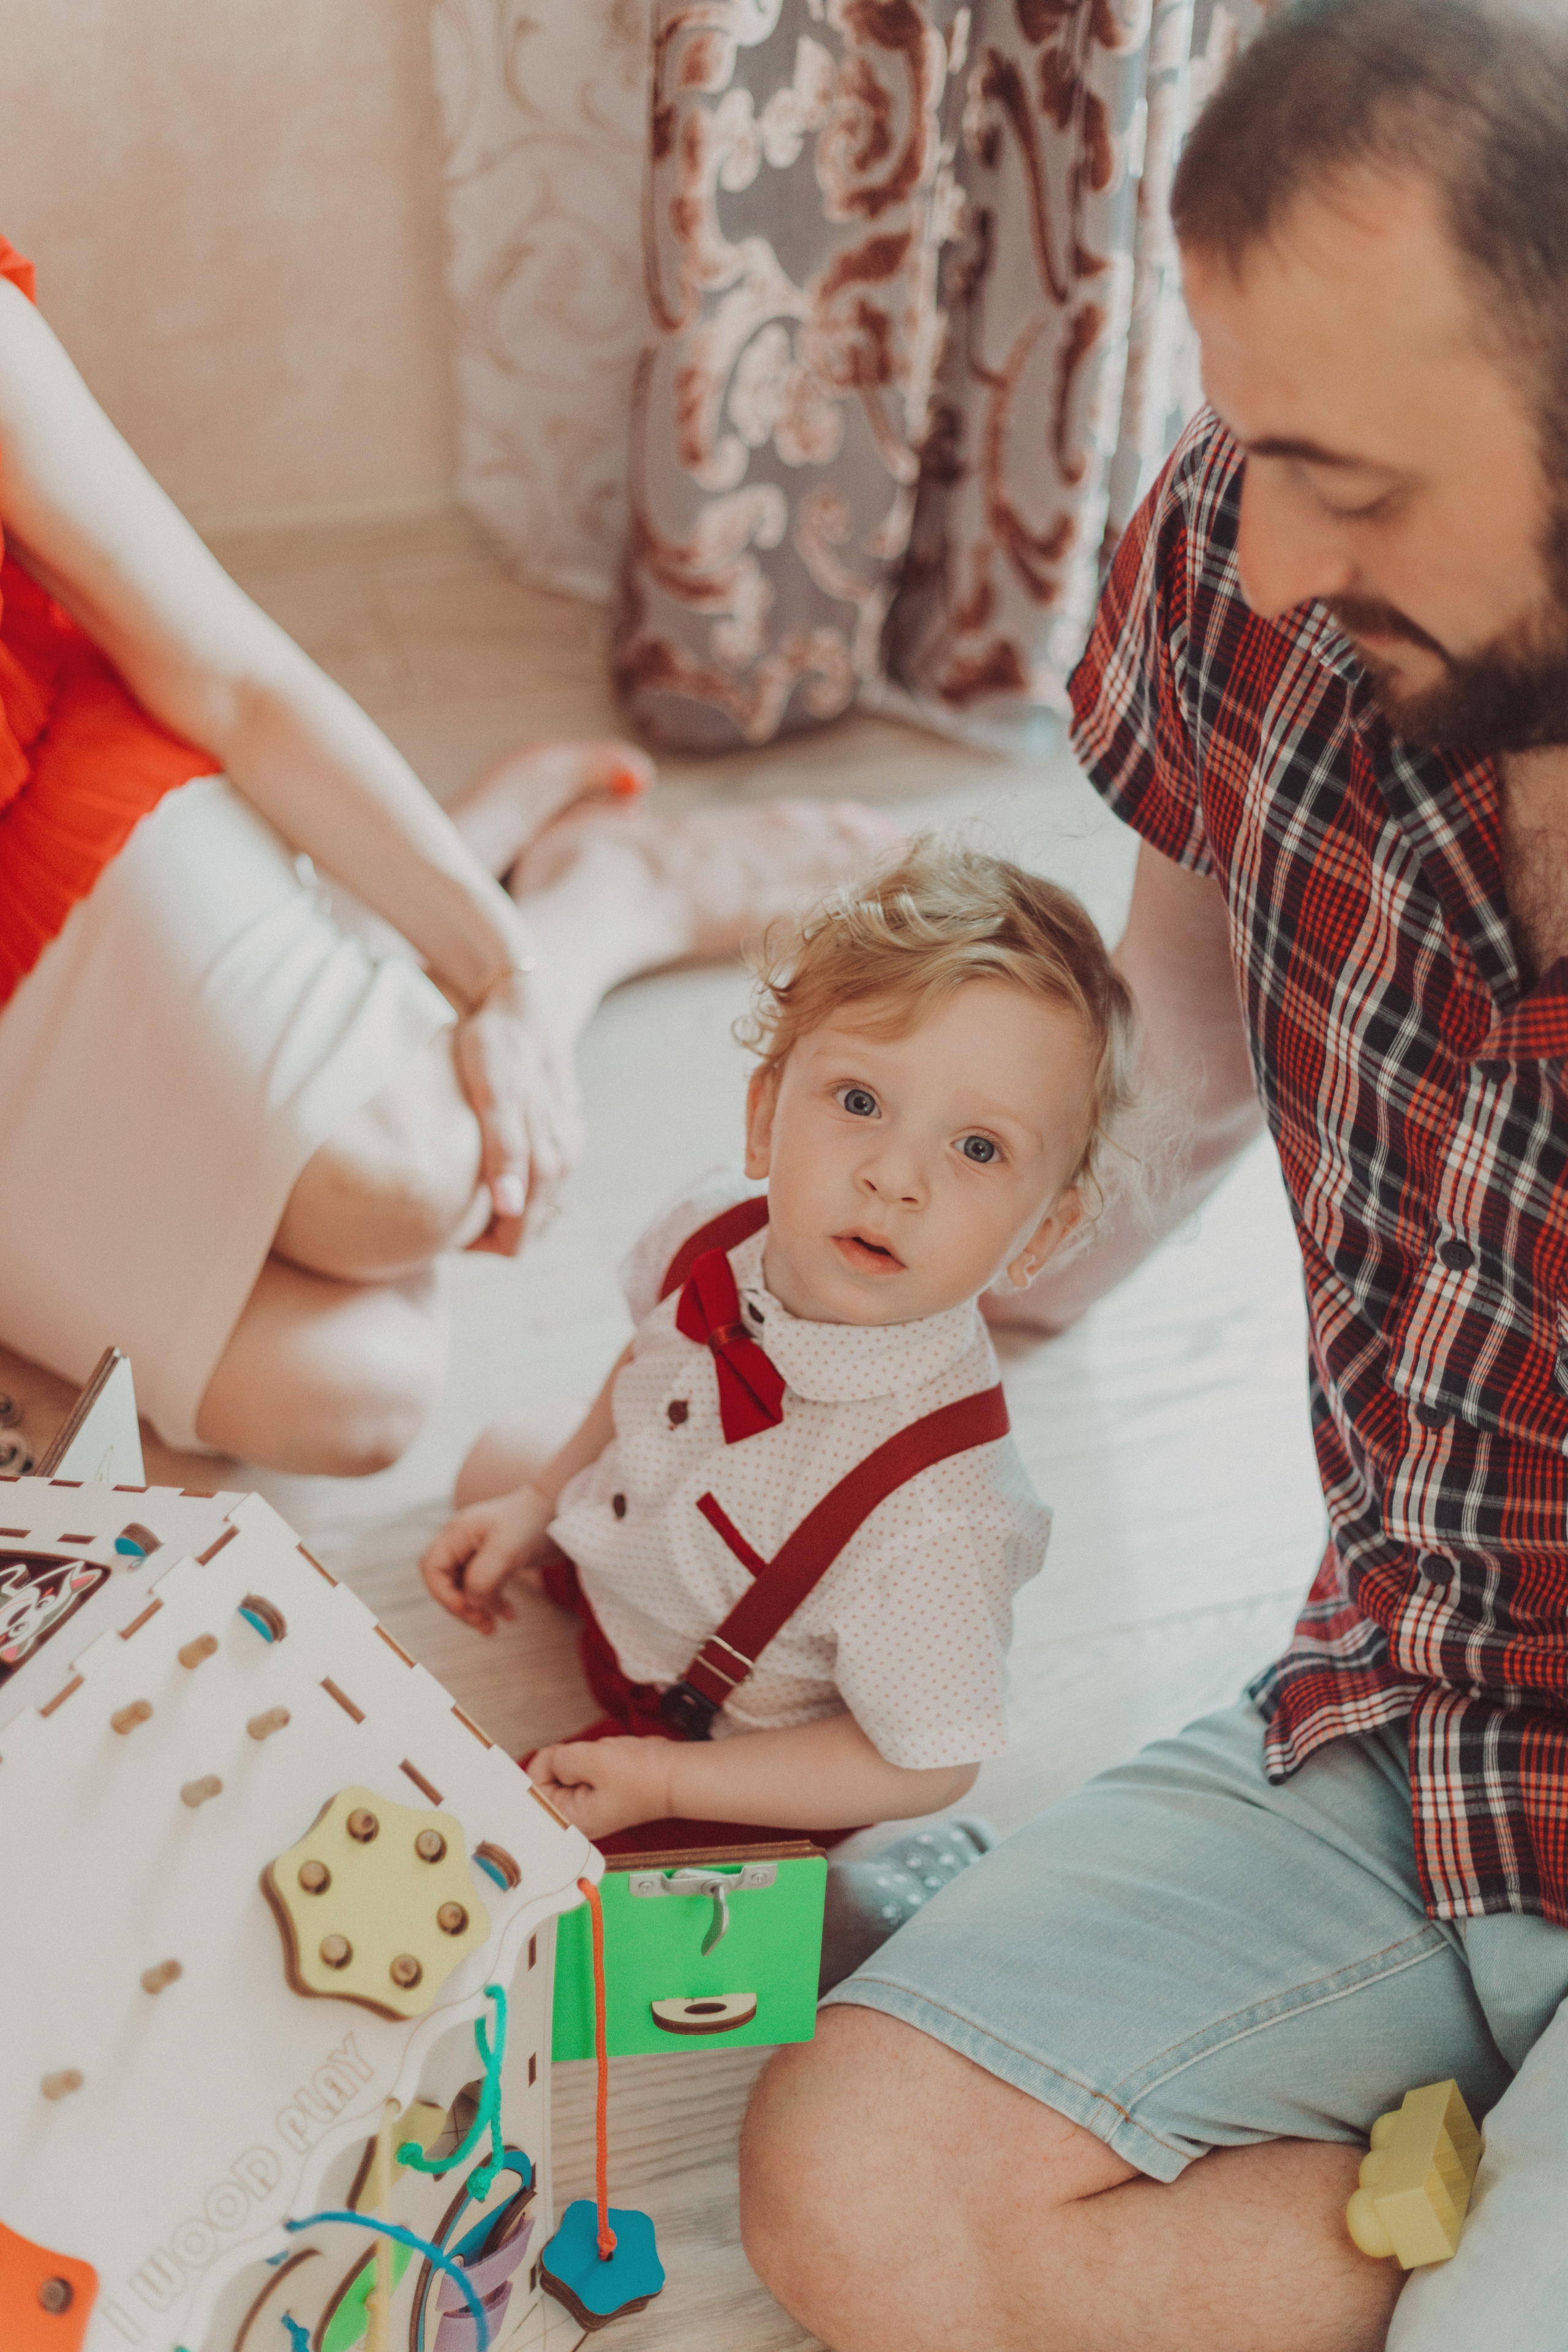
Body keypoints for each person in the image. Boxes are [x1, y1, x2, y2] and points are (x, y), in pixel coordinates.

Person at [737, 6, 1568, 2351]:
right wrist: (848, 1334)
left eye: (1358, 483)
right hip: (1430, 1707)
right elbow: (1175, 1063)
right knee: (851, 2184)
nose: (1264, 550)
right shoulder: (1239, 558)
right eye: (1242, 433)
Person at [0, 236, 901, 1474]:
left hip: (46, 819)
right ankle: (437, 897)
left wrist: (504, 978)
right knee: (354, 1398)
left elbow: (232, 678)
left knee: (409, 1185)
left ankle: (581, 918)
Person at [418, 843, 1133, 1883]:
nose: (895, 1177)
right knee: (493, 1463)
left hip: (733, 1742)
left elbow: (925, 1769)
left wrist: (663, 1785)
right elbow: (652, 1358)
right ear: (765, 1115)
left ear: (1041, 1236)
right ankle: (567, 1551)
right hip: (653, 1567)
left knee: (509, 1851)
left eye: (978, 1150)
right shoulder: (719, 1226)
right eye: (859, 1101)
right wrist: (538, 1498)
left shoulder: (940, 1518)